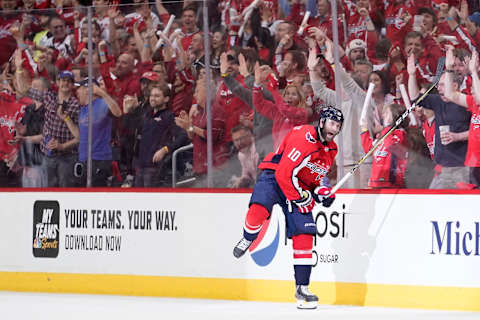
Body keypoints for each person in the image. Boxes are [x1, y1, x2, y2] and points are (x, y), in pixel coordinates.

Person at [232, 106, 344, 309]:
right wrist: (301, 199)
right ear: (321, 122)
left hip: (298, 187)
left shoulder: (331, 149)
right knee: (258, 210)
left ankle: (302, 288)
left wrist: (321, 192)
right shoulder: (304, 137)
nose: (334, 128)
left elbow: (314, 178)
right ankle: (248, 238)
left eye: (338, 125)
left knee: (305, 233)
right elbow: (284, 174)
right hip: (275, 177)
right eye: (331, 123)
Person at [58, 78, 122, 187]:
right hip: (83, 158)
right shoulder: (83, 109)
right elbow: (79, 136)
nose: (77, 92)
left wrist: (102, 93)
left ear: (88, 90)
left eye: (80, 88)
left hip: (99, 159)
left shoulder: (102, 103)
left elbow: (118, 113)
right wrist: (66, 119)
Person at [444, 48, 480, 186]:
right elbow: (450, 94)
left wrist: (474, 73)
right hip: (473, 162)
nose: (471, 91)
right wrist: (448, 70)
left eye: (474, 89)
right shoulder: (474, 104)